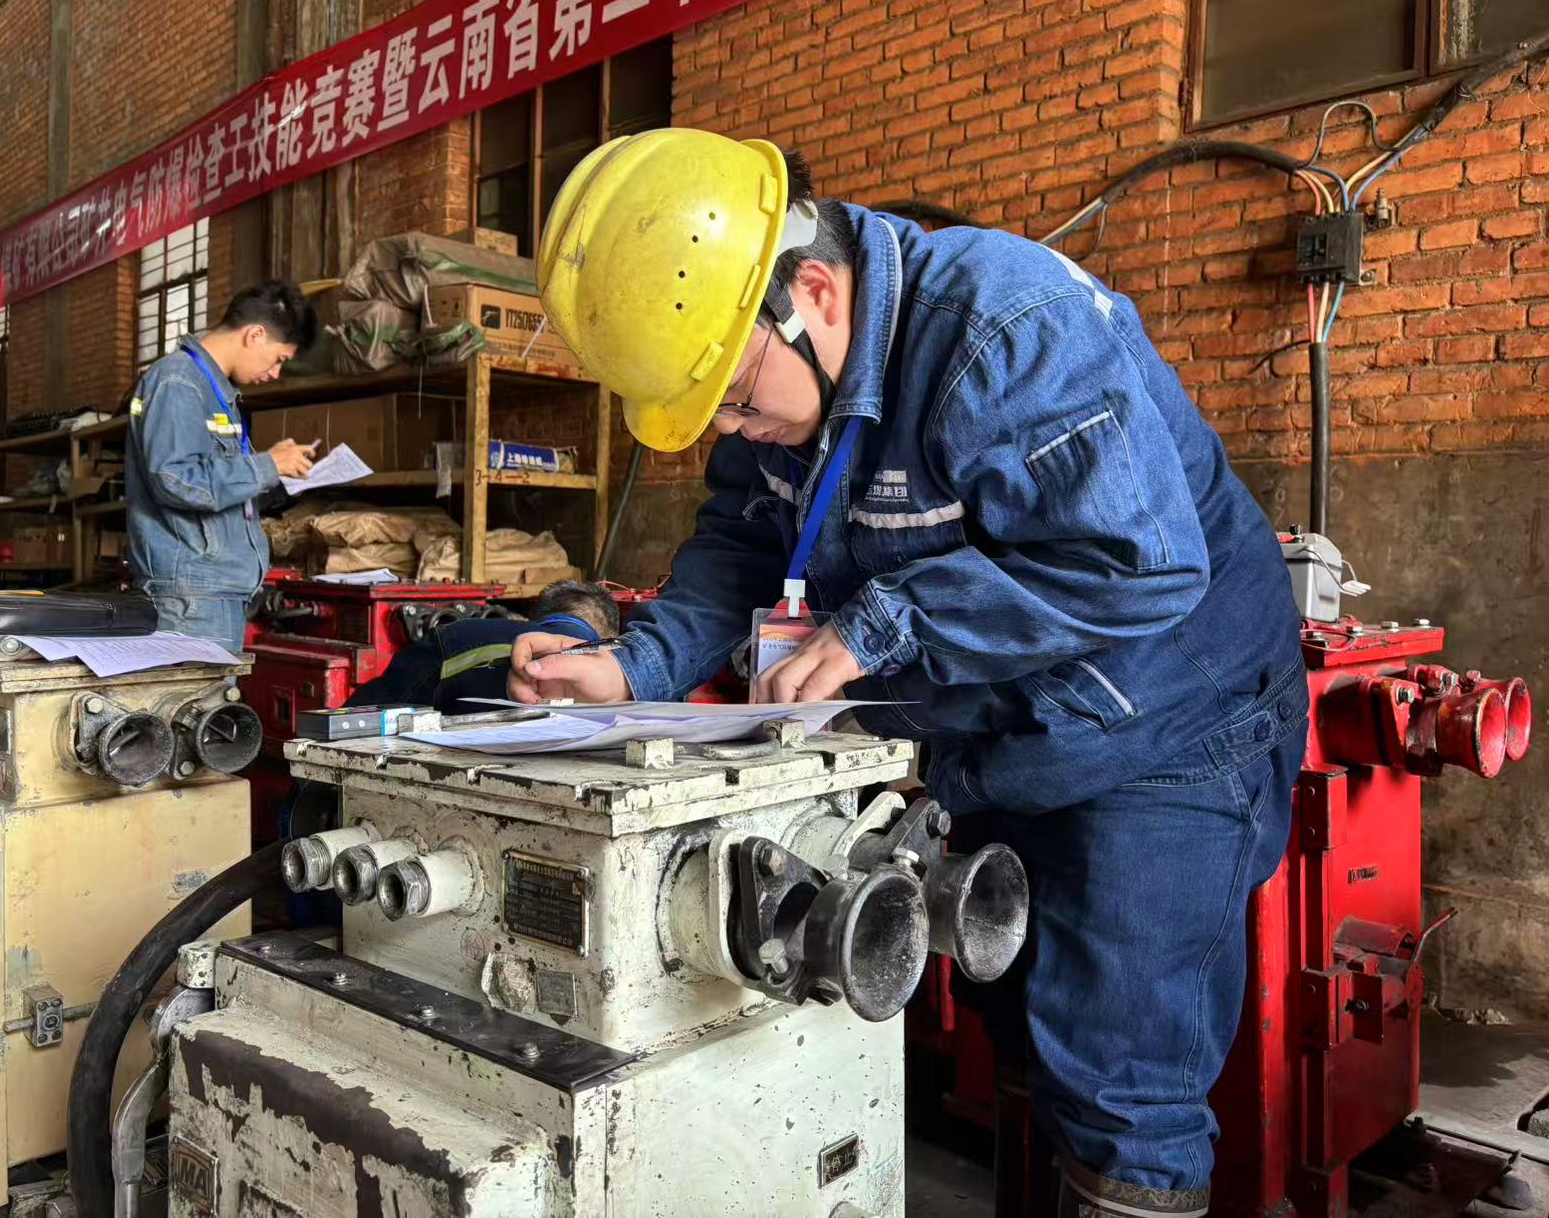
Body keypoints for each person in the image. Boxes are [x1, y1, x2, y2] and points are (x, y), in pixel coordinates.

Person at [507, 128, 1309, 1214]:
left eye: (736, 398)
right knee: (1016, 1015)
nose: (735, 429)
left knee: (1119, 1075)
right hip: (1001, 726)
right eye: (715, 415)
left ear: (815, 293)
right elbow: (740, 542)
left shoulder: (1005, 327)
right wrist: (631, 664)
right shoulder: (771, 371)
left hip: (1164, 714)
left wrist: (882, 624)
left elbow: (1138, 563)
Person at [126, 281, 320, 652]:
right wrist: (265, 465)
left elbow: (211, 488)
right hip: (190, 599)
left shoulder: (214, 392)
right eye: (279, 359)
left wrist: (275, 481)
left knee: (217, 692)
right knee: (199, 692)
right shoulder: (179, 381)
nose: (275, 373)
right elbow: (175, 479)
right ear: (255, 335)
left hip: (213, 593)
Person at [349, 580, 620, 711]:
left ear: (536, 619)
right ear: (610, 631)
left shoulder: (458, 638)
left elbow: (361, 715)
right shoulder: (629, 676)